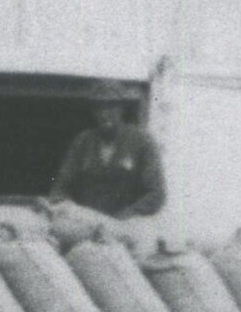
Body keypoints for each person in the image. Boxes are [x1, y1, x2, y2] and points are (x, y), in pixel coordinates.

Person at [51, 84, 167, 217]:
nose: (104, 114)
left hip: (127, 224)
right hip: (88, 223)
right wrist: (70, 210)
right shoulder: (83, 142)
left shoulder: (141, 142)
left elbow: (156, 193)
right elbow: (60, 187)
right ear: (93, 112)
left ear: (122, 109)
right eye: (99, 108)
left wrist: (129, 214)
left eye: (111, 107)